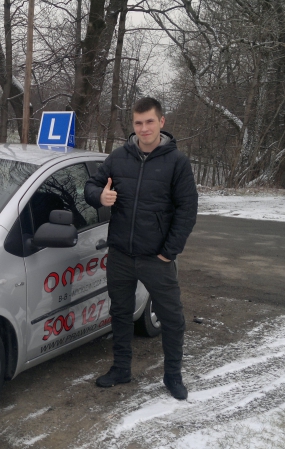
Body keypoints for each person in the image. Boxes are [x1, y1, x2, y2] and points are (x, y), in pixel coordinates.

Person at [84, 97, 198, 400]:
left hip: (156, 258)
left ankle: (173, 376)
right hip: (121, 253)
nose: (144, 128)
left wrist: (168, 252)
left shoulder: (177, 162)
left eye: (149, 122)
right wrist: (100, 197)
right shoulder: (118, 157)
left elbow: (187, 210)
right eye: (138, 122)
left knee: (172, 318)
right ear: (133, 125)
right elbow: (91, 186)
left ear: (161, 122)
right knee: (120, 313)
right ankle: (121, 368)